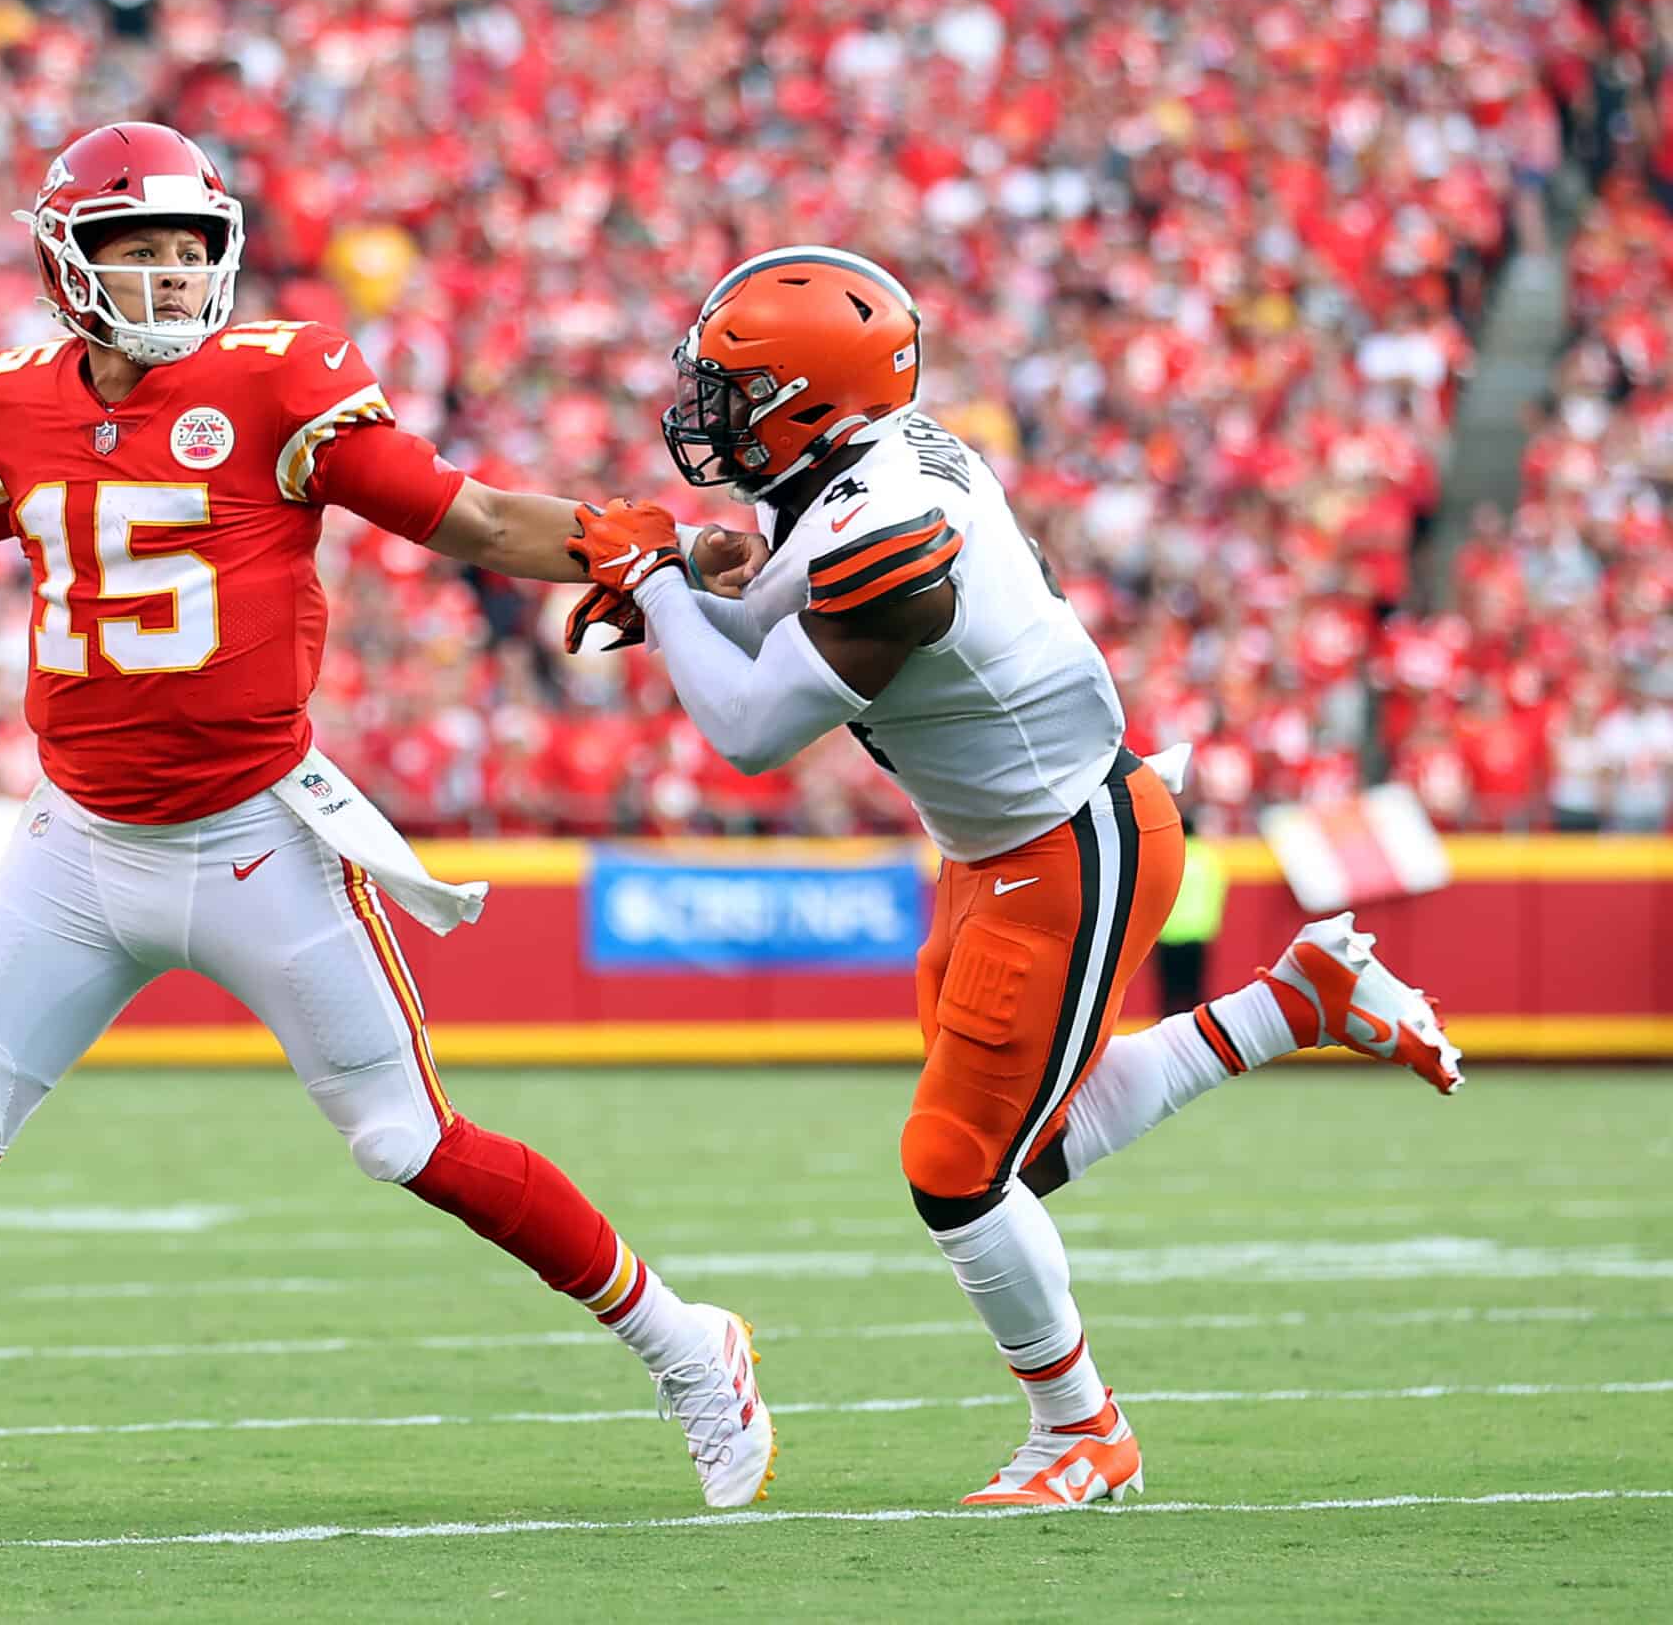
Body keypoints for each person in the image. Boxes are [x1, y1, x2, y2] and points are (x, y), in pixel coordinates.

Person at [0, 123, 775, 1523]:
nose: (169, 280)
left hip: (252, 840)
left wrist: (634, 540)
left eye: (187, 251)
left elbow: (460, 520)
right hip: (73, 842)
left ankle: (688, 1342)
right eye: (135, 251)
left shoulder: (284, 378)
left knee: (408, 1142)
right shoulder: (19, 393)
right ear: (66, 259)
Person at [563, 245, 1463, 1509]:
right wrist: (691, 583)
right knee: (1009, 1159)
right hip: (997, 845)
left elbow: (750, 731)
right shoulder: (855, 469)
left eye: (733, 389)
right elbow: (770, 601)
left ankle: (1082, 1428)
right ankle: (1290, 1005)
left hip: (1065, 845)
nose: (705, 414)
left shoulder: (889, 534)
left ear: (811, 400)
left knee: (955, 1163)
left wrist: (659, 584)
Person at [1152, 814, 1226, 1016]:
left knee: (1169, 996)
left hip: (1168, 934)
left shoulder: (1170, 856)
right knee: (1195, 992)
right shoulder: (1208, 858)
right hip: (1198, 934)